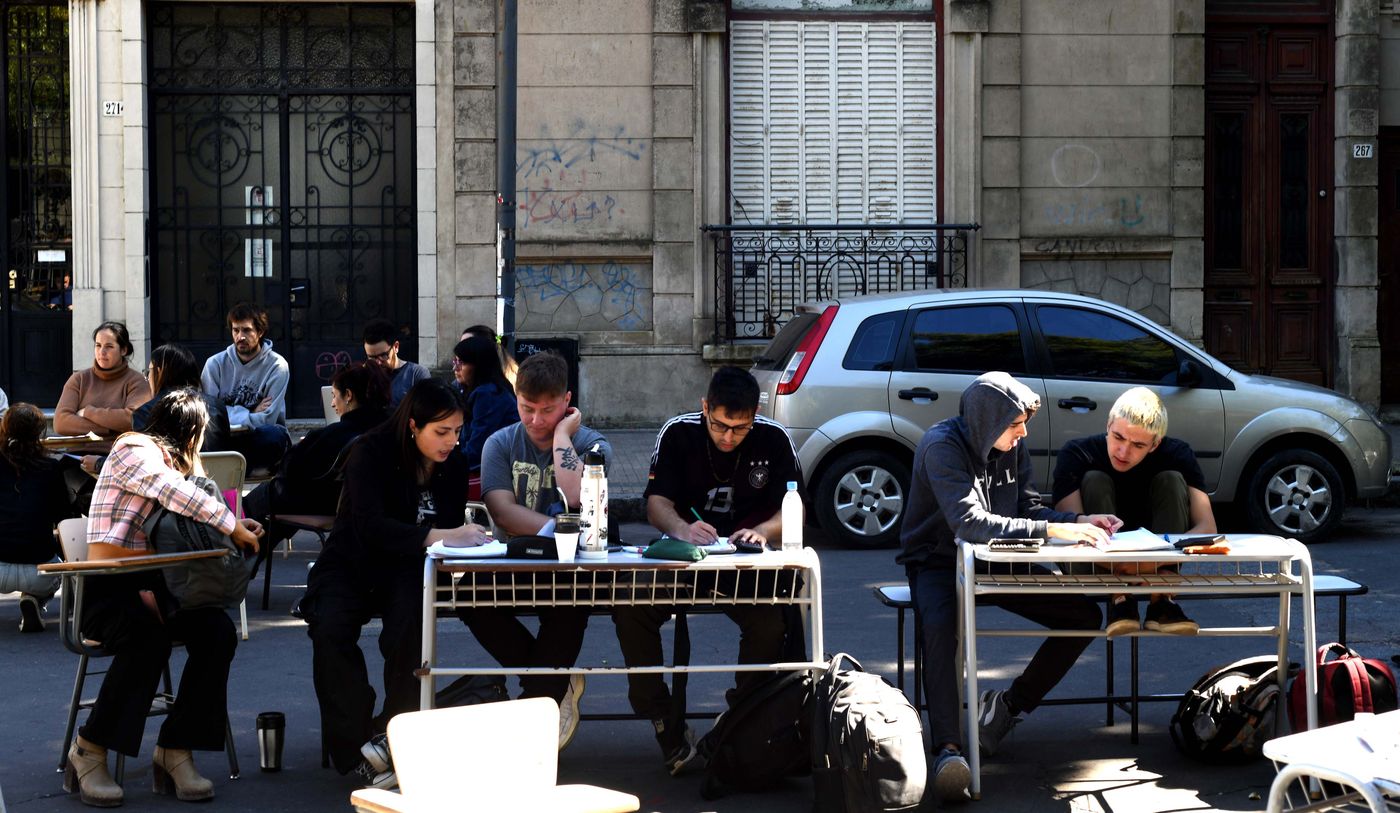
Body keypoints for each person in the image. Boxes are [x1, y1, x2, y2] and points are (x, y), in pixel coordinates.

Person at [896, 371, 1117, 804]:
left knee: (1084, 616)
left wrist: (1077, 522)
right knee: (940, 628)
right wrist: (1055, 534)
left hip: (1003, 559)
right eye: (1016, 424)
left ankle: (1009, 707)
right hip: (938, 561)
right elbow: (971, 523)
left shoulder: (1011, 445)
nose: (1023, 432)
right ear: (987, 420)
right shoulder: (941, 446)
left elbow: (1028, 507)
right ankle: (949, 750)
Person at [65, 389, 263, 808]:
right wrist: (230, 525)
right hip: (105, 588)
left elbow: (186, 512)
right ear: (190, 431)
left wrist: (236, 523)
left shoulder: (166, 462)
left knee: (218, 632)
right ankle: (89, 749)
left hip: (155, 586)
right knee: (147, 640)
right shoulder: (133, 448)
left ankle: (175, 748)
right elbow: (169, 488)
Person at [301, 379, 489, 789]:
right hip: (350, 560)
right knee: (330, 630)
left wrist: (455, 540)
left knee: (410, 631)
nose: (451, 442)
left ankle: (396, 735)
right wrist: (439, 535)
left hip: (407, 566)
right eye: (441, 432)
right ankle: (357, 750)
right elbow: (370, 526)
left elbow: (449, 526)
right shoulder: (369, 451)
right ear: (412, 425)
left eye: (458, 431)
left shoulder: (453, 463)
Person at [614, 365, 799, 775]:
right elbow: (656, 503)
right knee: (629, 603)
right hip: (682, 559)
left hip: (742, 565)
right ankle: (664, 720)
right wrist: (682, 528)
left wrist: (760, 530)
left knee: (770, 625)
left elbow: (792, 507)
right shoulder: (678, 433)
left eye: (740, 427)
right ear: (704, 408)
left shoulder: (773, 437)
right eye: (719, 426)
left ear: (756, 415)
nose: (729, 437)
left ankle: (736, 723)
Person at [457, 350, 606, 750]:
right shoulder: (500, 443)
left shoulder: (591, 444)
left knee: (571, 608)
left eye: (548, 410)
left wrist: (562, 438)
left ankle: (536, 700)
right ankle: (552, 683)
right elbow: (502, 510)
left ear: (568, 402)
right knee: (467, 601)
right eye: (527, 408)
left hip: (571, 572)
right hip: (513, 564)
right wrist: (555, 532)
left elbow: (578, 497)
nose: (537, 420)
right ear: (516, 399)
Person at [1052, 386, 1215, 637]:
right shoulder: (1077, 452)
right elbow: (1073, 531)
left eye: (1138, 445)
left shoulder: (1177, 453)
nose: (1123, 451)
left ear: (1154, 444)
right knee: (1095, 478)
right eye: (1118, 437)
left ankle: (1161, 603)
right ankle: (1123, 598)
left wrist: (1145, 563)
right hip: (1093, 563)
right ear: (1108, 425)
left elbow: (1207, 527)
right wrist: (1142, 567)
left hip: (1157, 558)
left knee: (1171, 479)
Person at [242, 361, 391, 560]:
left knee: (259, 504)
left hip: (323, 503)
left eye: (334, 396)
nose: (332, 404)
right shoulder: (388, 428)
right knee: (271, 518)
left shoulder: (334, 434)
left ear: (348, 396)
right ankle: (240, 569)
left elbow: (289, 469)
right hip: (358, 504)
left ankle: (234, 569)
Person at [0, 403, 72, 633]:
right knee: (56, 568)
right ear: (39, 432)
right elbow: (64, 519)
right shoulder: (51, 468)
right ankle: (35, 598)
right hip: (40, 570)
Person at [200, 302, 291, 475]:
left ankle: (232, 469)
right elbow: (209, 414)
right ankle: (246, 469)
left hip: (258, 437)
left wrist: (227, 413)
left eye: (247, 330)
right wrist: (250, 413)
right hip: (225, 437)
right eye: (236, 330)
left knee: (274, 437)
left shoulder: (277, 366)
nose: (240, 336)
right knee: (203, 438)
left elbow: (268, 419)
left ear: (260, 332)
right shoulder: (215, 364)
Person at [54, 321, 152, 454]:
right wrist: (112, 427)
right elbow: (61, 422)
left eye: (109, 346)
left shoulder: (137, 382)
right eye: (98, 345)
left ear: (123, 350)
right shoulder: (79, 379)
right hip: (78, 456)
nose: (102, 352)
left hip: (118, 456)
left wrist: (88, 412)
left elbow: (132, 419)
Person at [133, 344, 232, 454]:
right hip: (217, 470)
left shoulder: (144, 413)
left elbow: (146, 461)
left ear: (159, 372)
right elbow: (224, 449)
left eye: (149, 372)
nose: (148, 378)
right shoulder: (217, 405)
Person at [451, 334, 518, 472]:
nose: (455, 368)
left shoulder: (488, 394)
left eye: (461, 363)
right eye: (455, 361)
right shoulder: (477, 389)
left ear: (478, 365)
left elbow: (477, 448)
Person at [362, 318, 430, 410]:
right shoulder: (363, 376)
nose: (378, 362)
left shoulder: (416, 374)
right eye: (371, 357)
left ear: (396, 347)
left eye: (383, 355)